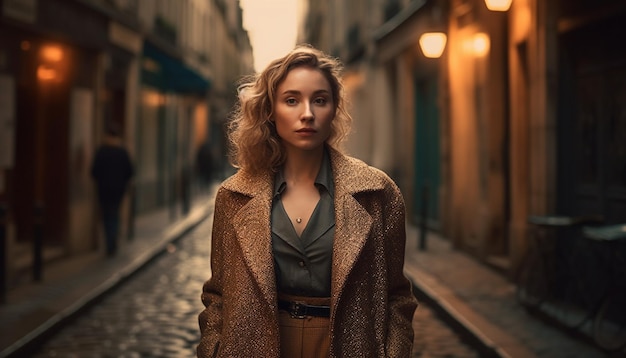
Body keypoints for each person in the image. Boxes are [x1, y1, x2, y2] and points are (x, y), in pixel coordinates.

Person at [197, 45, 418, 357]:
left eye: (320, 100)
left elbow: (397, 296)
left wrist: (393, 353)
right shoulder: (234, 196)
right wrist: (214, 350)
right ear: (270, 110)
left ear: (334, 108)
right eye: (292, 100)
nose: (307, 114)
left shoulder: (378, 193)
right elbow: (217, 295)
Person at [91, 122, 133, 257]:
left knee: (107, 216)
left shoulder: (102, 151)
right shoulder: (122, 152)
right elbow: (130, 171)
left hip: (104, 190)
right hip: (118, 190)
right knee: (114, 215)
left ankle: (110, 243)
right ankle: (112, 241)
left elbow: (94, 171)